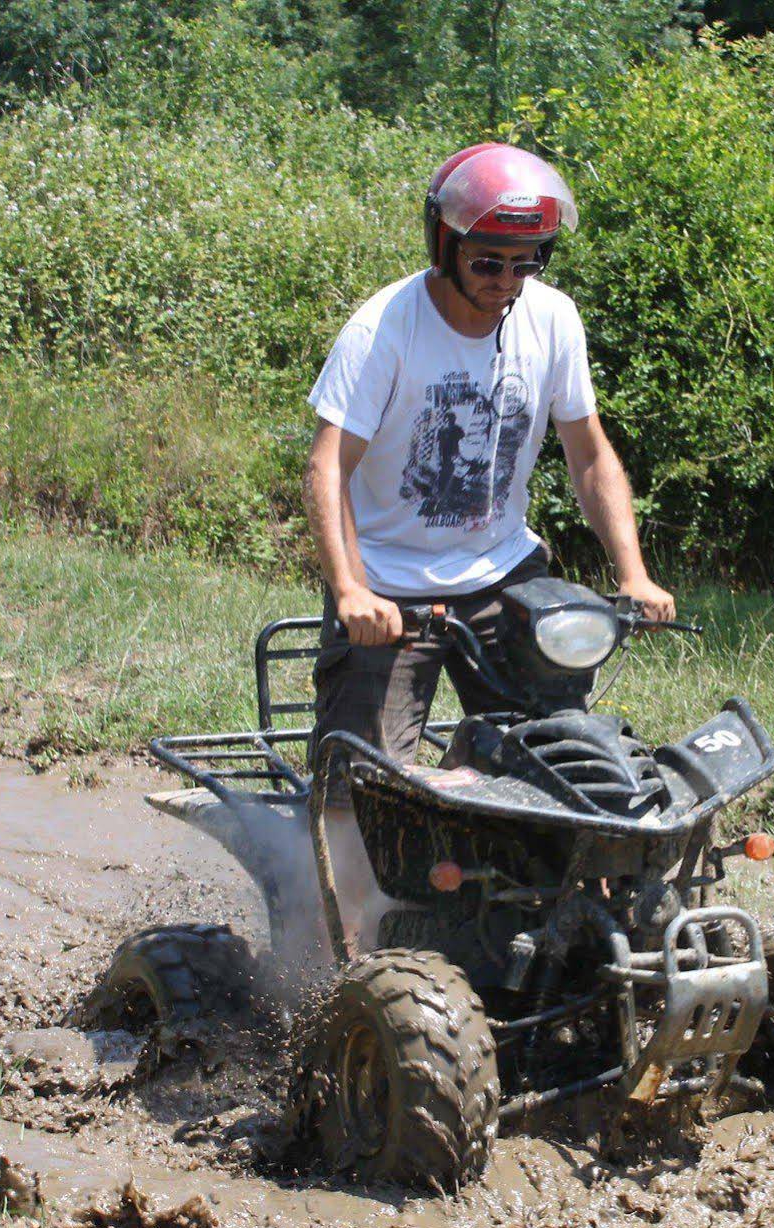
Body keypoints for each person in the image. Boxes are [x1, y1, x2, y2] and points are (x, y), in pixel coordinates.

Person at [301, 142, 674, 791]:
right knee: (358, 783)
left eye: (522, 264)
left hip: (502, 571)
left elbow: (588, 457)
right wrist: (351, 590)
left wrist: (632, 573)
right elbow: (326, 468)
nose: (504, 280)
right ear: (444, 246)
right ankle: (344, 886)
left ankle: (533, 877)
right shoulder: (384, 330)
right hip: (387, 581)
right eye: (487, 263)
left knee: (562, 755)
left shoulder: (552, 319)